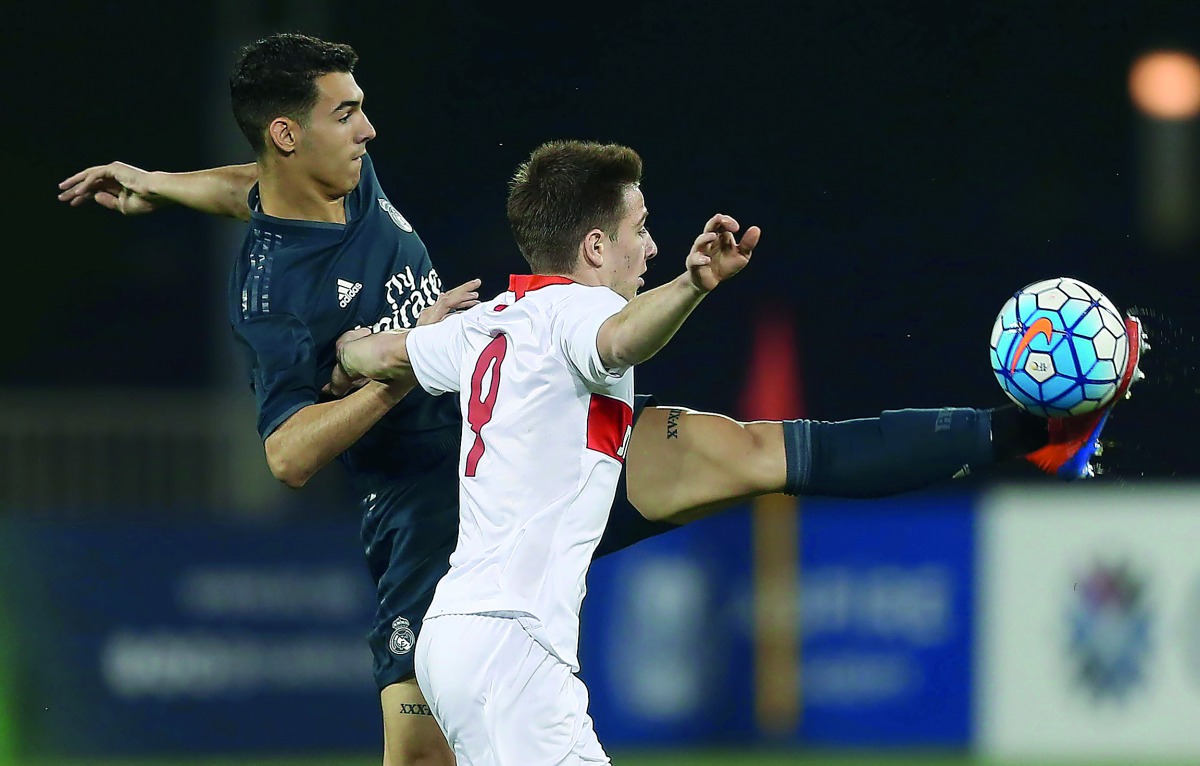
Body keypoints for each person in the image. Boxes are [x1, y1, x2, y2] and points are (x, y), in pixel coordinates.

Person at [56, 31, 1146, 766]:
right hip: (431, 512)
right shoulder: (277, 299)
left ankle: (1034, 435)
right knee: (422, 755)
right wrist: (401, 369)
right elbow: (288, 456)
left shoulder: (336, 181)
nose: (370, 129)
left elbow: (257, 189)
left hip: (520, 430)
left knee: (747, 450)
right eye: (347, 114)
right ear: (291, 131)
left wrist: (159, 184)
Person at [334, 139, 756, 764]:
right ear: (595, 247)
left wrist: (346, 353)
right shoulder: (581, 309)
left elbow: (383, 353)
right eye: (640, 229)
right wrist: (692, 286)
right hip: (512, 645)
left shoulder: (492, 321)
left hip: (453, 632)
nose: (651, 247)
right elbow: (620, 340)